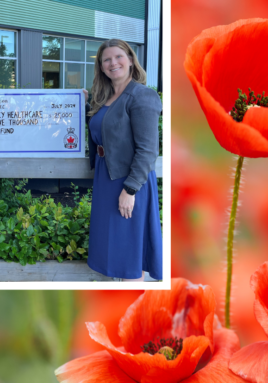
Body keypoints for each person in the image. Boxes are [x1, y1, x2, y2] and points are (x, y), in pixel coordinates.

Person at [84, 39, 162, 282]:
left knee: (129, 253)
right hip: (105, 179)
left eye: (118, 57)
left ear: (130, 60)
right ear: (101, 67)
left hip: (128, 181)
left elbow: (148, 150)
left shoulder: (142, 96)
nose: (112, 63)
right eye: (106, 59)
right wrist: (82, 104)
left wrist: (130, 190)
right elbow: (103, 129)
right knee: (113, 249)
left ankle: (131, 301)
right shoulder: (103, 98)